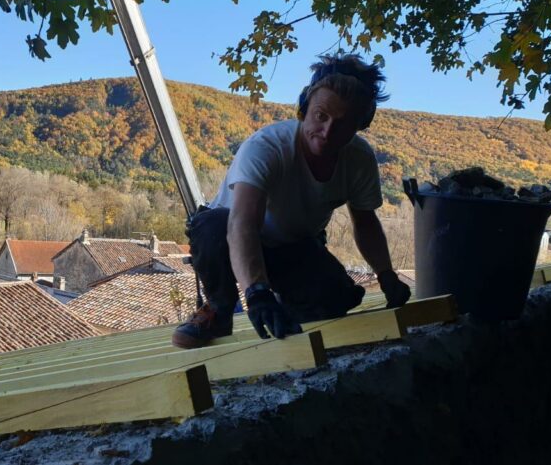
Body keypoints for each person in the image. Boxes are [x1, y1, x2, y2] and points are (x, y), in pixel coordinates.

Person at [172, 54, 412, 349]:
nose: (326, 132)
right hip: (231, 237)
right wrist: (256, 293)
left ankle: (285, 307)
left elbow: (365, 221)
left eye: (342, 124)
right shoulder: (267, 148)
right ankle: (218, 311)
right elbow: (242, 224)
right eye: (320, 117)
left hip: (292, 245)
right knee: (210, 226)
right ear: (304, 109)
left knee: (336, 299)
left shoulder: (359, 159)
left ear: (359, 125)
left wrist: (386, 275)